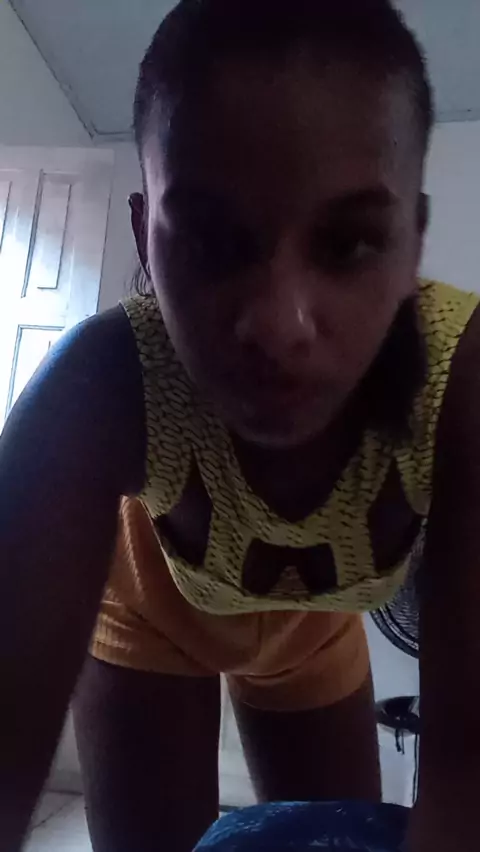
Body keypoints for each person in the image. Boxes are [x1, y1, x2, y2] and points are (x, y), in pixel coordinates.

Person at [1, 0, 479, 849]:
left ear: (412, 243)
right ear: (145, 237)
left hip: (313, 636)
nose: (279, 323)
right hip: (146, 620)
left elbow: (463, 795)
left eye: (348, 245)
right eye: (213, 241)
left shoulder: (460, 384)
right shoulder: (101, 386)